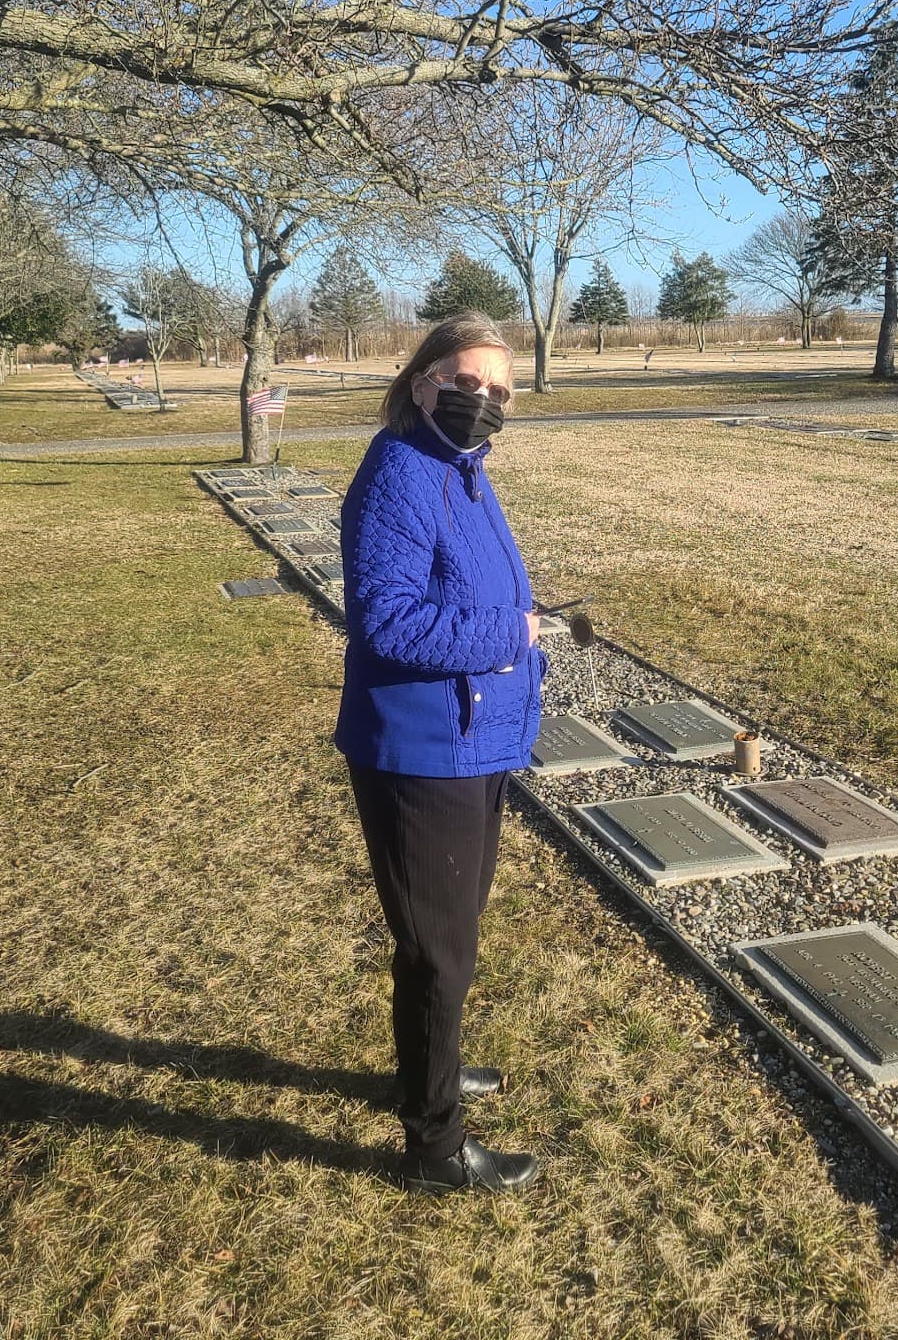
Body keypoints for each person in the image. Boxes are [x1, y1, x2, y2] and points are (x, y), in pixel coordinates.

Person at [334, 310, 545, 1194]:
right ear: (421, 380)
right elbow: (388, 623)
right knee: (437, 952)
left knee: (448, 938)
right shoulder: (400, 472)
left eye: (498, 389)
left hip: (473, 740)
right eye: (465, 381)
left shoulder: (461, 470)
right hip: (424, 750)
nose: (482, 400)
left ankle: (433, 1066)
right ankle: (433, 1147)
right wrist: (512, 636)